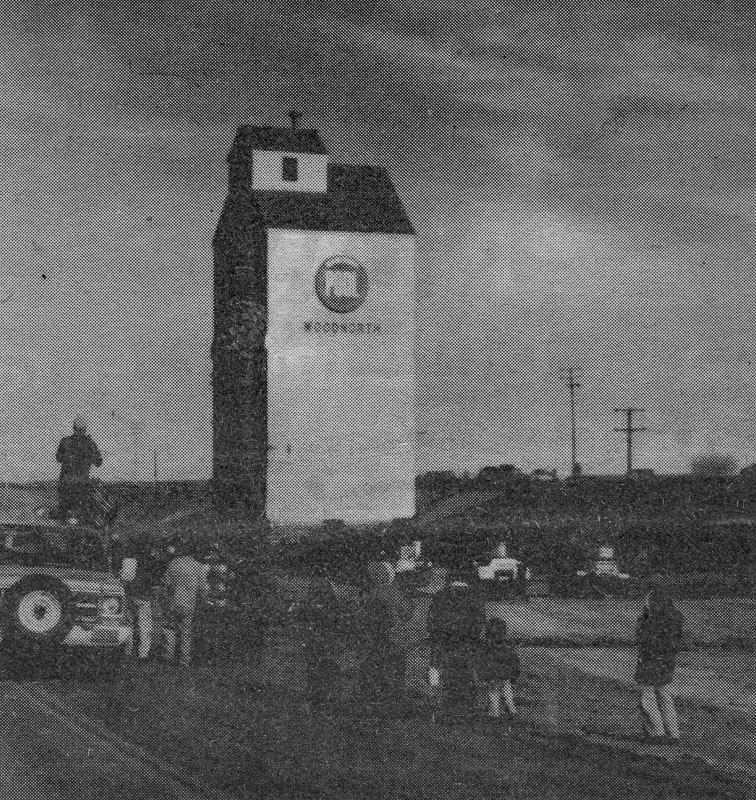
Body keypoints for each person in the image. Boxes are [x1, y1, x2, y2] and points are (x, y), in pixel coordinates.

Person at [427, 563, 486, 720]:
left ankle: (435, 698)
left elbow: (431, 620)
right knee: (466, 672)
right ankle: (467, 707)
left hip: (443, 641)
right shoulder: (476, 596)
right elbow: (480, 621)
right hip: (466, 641)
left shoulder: (439, 595)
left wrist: (436, 635)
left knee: (437, 667)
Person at [359, 559, 416, 710]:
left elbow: (366, 616)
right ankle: (393, 699)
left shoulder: (374, 592)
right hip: (394, 636)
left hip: (377, 636)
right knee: (395, 667)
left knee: (377, 666)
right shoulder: (394, 592)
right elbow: (406, 613)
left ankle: (376, 696)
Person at [634, 589, 685, 743]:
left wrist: (644, 617)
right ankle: (673, 733)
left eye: (648, 601)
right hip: (667, 661)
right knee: (665, 695)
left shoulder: (650, 619)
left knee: (648, 695)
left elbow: (642, 637)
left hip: (649, 660)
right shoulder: (675, 618)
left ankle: (656, 733)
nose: (646, 604)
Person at [298, 566, 349, 709]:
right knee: (319, 664)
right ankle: (321, 696)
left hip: (320, 632)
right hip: (320, 632)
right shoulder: (326, 587)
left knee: (318, 664)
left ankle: (321, 695)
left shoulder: (319, 587)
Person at [161, 538, 210, 668]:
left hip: (173, 601)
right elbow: (203, 588)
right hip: (188, 603)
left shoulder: (173, 564)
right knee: (186, 631)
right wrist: (204, 600)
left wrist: (165, 598)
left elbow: (165, 584)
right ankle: (184, 660)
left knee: (169, 628)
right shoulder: (198, 566)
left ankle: (168, 656)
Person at [56, 416, 103, 521]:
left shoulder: (65, 441)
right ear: (85, 429)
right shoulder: (90, 443)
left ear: (73, 427)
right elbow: (99, 462)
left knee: (63, 515)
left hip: (65, 485)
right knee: (84, 515)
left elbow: (58, 458)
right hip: (82, 486)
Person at [473, 618, 520, 723]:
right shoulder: (507, 646)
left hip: (494, 675)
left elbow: (480, 662)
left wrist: (483, 676)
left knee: (495, 693)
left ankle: (496, 714)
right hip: (504, 675)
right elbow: (514, 661)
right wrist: (513, 675)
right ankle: (510, 711)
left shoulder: (487, 647)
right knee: (506, 693)